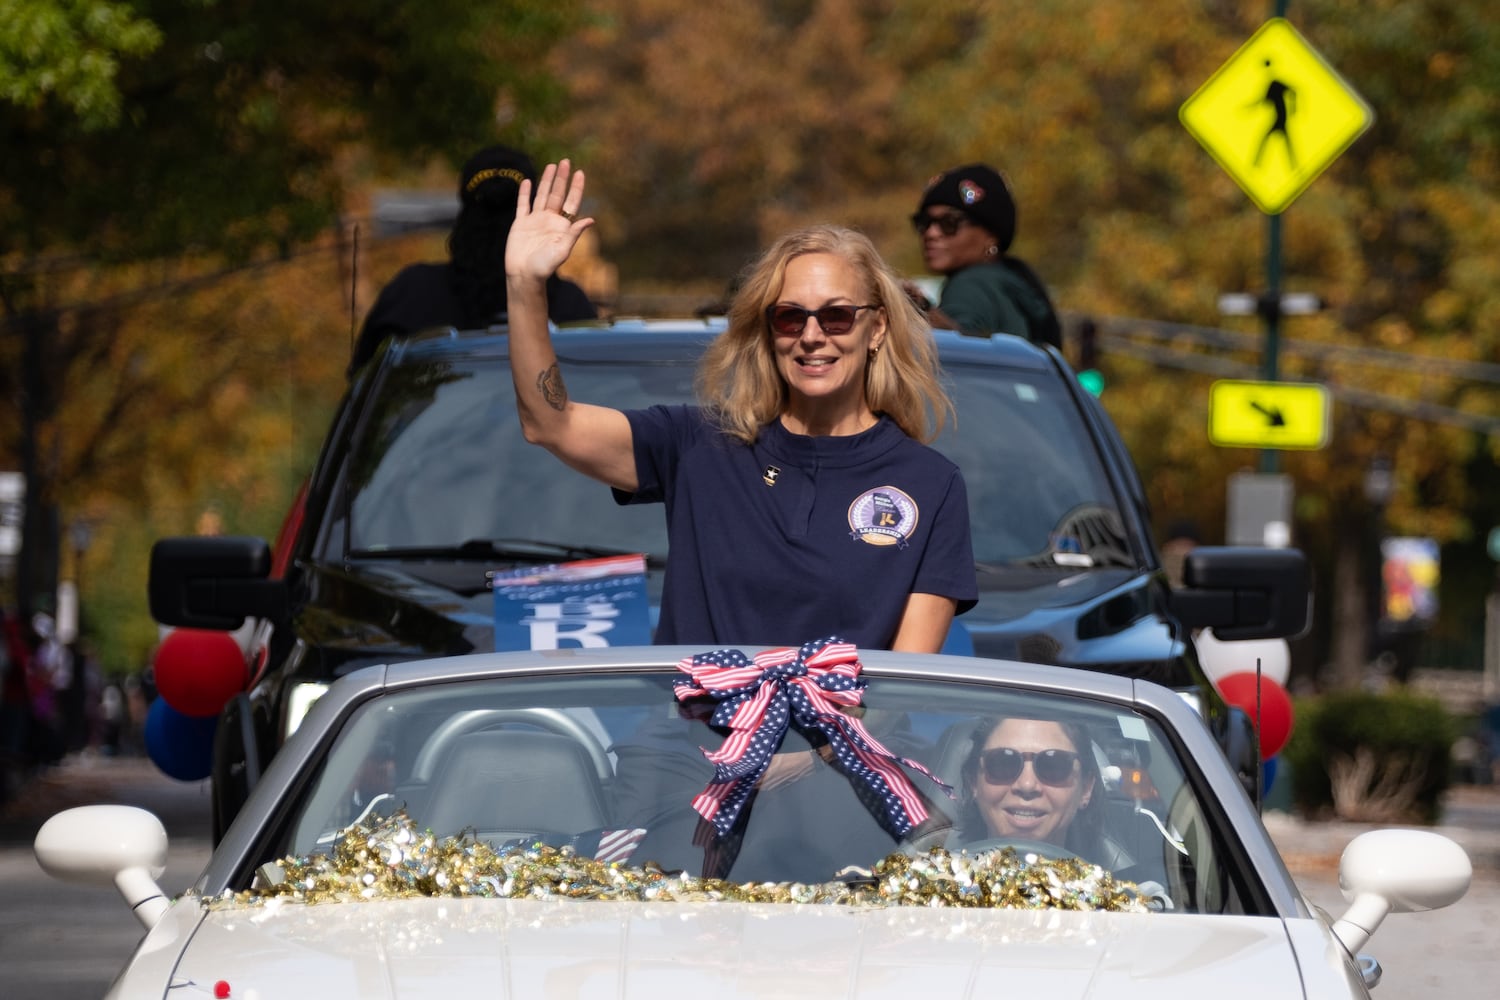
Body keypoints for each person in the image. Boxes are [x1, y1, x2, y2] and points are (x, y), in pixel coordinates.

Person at [504, 160, 978, 654]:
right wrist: (524, 285)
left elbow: (900, 687)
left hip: (842, 733)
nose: (812, 337)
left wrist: (826, 734)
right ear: (769, 330)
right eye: (790, 317)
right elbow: (549, 423)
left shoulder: (932, 485)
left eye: (837, 316)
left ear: (876, 327)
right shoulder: (698, 444)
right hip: (687, 731)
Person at [348, 144, 597, 377]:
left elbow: (360, 382)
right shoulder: (571, 309)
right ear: (530, 212)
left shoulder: (409, 296)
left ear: (463, 216)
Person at [907, 163, 1062, 348]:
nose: (931, 233)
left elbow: (958, 349)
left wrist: (922, 311)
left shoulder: (972, 284)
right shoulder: (1012, 282)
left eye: (949, 223)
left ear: (990, 236)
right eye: (924, 222)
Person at [958, 714, 1110, 859]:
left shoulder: (1120, 886)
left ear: (1086, 788)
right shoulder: (935, 883)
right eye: (1003, 763)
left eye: (1053, 766)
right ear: (973, 781)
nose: (1027, 785)